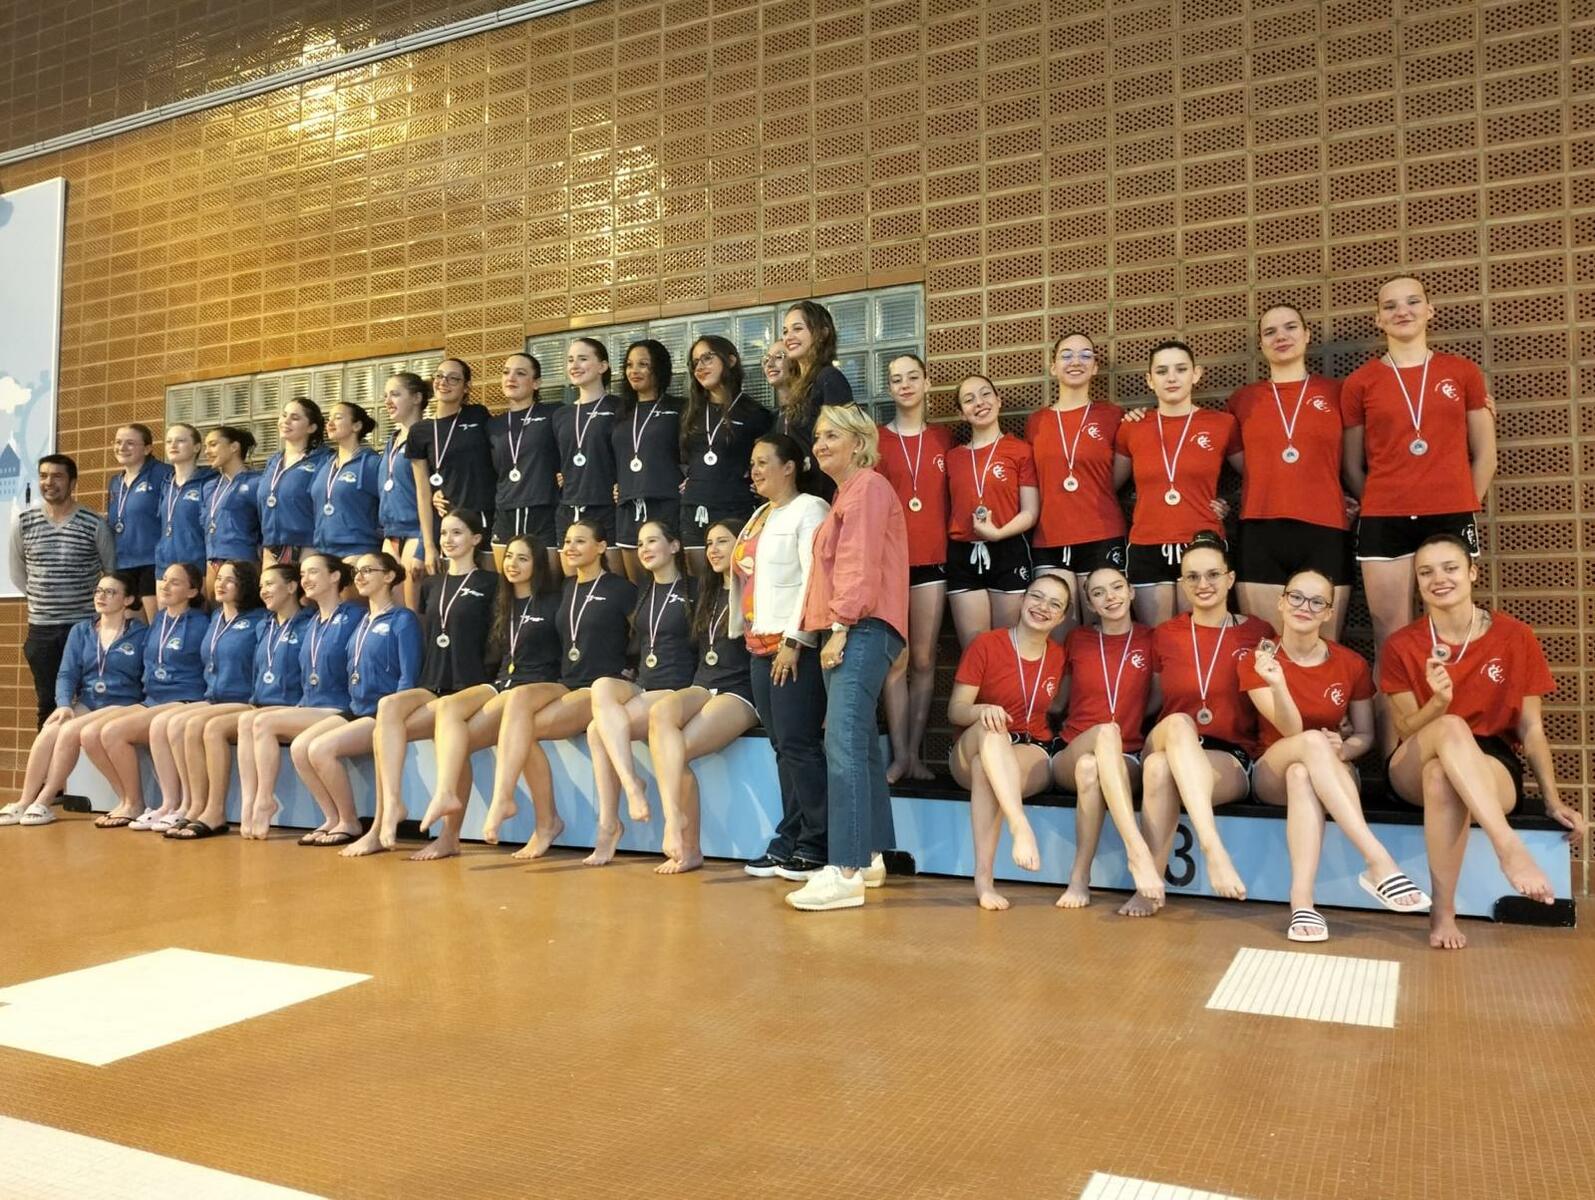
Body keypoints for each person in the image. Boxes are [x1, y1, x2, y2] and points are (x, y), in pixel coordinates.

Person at [1381, 533, 1584, 950]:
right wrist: (1438, 704)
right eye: (1426, 572)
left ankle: (1442, 912)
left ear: (1472, 572)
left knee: (1442, 777)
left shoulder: (1515, 636)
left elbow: (1531, 729)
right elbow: (1406, 726)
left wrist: (1552, 800)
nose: (1439, 579)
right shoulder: (1402, 644)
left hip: (1490, 759)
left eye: (1450, 568)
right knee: (1449, 730)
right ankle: (1506, 845)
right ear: (1417, 583)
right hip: (1417, 752)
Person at [1239, 569, 1429, 941]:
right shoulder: (1258, 659)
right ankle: (1377, 860)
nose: (1304, 607)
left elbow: (1365, 736)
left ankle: (1302, 902)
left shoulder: (1350, 663)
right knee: (1308, 745)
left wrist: (1345, 747)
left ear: (1329, 612)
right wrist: (1278, 684)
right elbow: (1292, 732)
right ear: (1281, 603)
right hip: (1271, 769)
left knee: (1302, 774)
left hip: (1332, 769)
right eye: (1296, 597)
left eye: (1317, 602)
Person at [786, 405, 907, 911]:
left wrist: (840, 627)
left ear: (859, 443)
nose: (820, 444)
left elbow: (857, 563)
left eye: (831, 435)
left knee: (843, 745)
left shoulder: (867, 488)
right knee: (857, 744)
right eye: (817, 436)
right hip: (857, 626)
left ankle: (846, 869)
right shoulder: (849, 493)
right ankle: (871, 856)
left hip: (859, 625)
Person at [1343, 277, 1496, 661]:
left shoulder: (1462, 372)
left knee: (1452, 628)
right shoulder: (1360, 382)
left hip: (1449, 512)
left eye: (1412, 302)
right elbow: (1351, 463)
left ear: (1430, 310)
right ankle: (1396, 705)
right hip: (1384, 517)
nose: (1402, 311)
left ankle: (1454, 704)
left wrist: (1463, 503)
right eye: (1390, 306)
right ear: (1378, 318)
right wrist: (1377, 500)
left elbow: (1485, 454)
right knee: (1390, 636)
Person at [1130, 535, 1273, 916]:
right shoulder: (1165, 634)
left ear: (1230, 579)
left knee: (1160, 769)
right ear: (1182, 583)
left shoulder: (1258, 632)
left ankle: (1149, 886)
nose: (1203, 584)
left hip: (1228, 755)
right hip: (1169, 735)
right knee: (1179, 724)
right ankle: (1212, 849)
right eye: (1192, 577)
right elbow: (1150, 700)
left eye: (1212, 575)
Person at [482, 519, 636, 859]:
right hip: (566, 682)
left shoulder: (621, 588)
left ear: (601, 547)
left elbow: (644, 632)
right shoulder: (563, 590)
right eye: (567, 541)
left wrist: (632, 666)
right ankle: (520, 807)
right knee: (519, 710)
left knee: (522, 731)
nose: (571, 547)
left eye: (580, 541)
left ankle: (533, 815)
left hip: (601, 687)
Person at [358, 510, 499, 860]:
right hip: (434, 679)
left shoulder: (491, 582)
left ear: (476, 539)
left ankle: (449, 836)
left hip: (472, 682)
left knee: (450, 736)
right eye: (444, 533)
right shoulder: (432, 584)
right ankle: (390, 808)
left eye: (457, 532)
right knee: (388, 710)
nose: (448, 540)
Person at [412, 534, 565, 850]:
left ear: (538, 564)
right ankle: (446, 802)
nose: (512, 564)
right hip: (503, 684)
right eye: (509, 556)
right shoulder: (500, 601)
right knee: (450, 712)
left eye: (523, 558)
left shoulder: (554, 600)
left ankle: (534, 815)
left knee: (513, 713)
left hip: (541, 684)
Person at [729, 434, 831, 879]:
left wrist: (795, 641)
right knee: (783, 749)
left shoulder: (810, 509)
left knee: (799, 746)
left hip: (791, 650)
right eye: (751, 463)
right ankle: (789, 838)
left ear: (790, 466)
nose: (754, 471)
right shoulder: (760, 514)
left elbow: (814, 579)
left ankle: (818, 842)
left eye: (762, 462)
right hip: (758, 647)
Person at [286, 552, 423, 858]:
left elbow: (408, 676)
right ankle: (331, 817)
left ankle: (349, 821)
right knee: (299, 747)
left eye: (368, 570)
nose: (359, 576)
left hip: (383, 712)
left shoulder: (402, 619)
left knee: (321, 749)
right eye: (357, 572)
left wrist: (397, 715)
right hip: (356, 707)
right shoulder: (362, 621)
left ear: (389, 576)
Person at [947, 575, 1071, 910]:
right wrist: (983, 710)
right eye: (1037, 597)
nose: (1043, 607)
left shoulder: (1059, 656)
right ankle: (1020, 826)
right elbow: (955, 710)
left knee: (986, 769)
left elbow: (1059, 705)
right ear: (1022, 600)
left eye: (1055, 604)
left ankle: (984, 882)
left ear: (1062, 618)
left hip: (1029, 749)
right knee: (992, 731)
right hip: (975, 741)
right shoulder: (987, 644)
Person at [1229, 306, 1353, 635]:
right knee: (1264, 644)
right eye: (1270, 332)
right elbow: (1240, 462)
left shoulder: (1338, 393)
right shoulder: (1243, 400)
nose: (1281, 336)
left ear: (1307, 335)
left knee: (1325, 646)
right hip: (1260, 527)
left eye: (1290, 327)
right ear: (1261, 343)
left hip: (1326, 527)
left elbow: (1362, 450)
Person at [647, 519, 761, 874]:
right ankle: (673, 818)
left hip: (738, 690)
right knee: (661, 712)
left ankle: (686, 842)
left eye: (722, 542)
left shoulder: (755, 590)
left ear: (741, 546)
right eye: (709, 543)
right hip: (703, 682)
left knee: (677, 750)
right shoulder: (705, 592)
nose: (713, 550)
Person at [1052, 566, 1164, 909]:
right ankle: (1137, 849)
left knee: (1091, 768)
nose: (1110, 597)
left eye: (1117, 587)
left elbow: (1157, 698)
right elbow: (1058, 700)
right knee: (1103, 735)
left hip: (1126, 755)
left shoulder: (1151, 638)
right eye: (1098, 593)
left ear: (1131, 592)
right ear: (1090, 604)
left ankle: (1079, 877)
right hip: (1073, 746)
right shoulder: (1077, 639)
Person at [585, 520, 697, 862]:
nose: (645, 549)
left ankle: (609, 824)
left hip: (678, 687)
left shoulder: (694, 589)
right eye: (640, 543)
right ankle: (630, 784)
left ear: (674, 546)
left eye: (653, 541)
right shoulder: (643, 591)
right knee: (602, 686)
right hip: (646, 684)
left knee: (596, 731)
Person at [1, 573, 147, 828]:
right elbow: (67, 673)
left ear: (128, 600)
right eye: (98, 591)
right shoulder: (81, 631)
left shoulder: (140, 633)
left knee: (69, 732)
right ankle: (25, 801)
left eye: (110, 592)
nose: (101, 596)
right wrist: (64, 704)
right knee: (50, 729)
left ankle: (44, 801)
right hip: (89, 701)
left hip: (122, 704)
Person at [239, 553, 366, 842]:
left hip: (339, 706)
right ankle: (330, 817)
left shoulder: (354, 616)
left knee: (263, 723)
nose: (305, 579)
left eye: (313, 573)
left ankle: (265, 799)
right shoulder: (313, 622)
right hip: (312, 705)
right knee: (249, 720)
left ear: (334, 576)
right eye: (303, 574)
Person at [1114, 342, 1240, 626]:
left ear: (1196, 374)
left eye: (1181, 369)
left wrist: (1230, 503)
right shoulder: (1132, 426)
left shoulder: (1222, 424)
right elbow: (1105, 485)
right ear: (1150, 380)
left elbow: (1256, 475)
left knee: (1200, 634)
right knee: (1156, 638)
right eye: (1161, 371)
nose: (1171, 378)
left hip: (1202, 540)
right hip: (1147, 542)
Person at [876, 353, 952, 783]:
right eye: (896, 379)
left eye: (912, 377)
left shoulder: (943, 438)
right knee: (897, 660)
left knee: (924, 659)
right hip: (891, 564)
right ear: (889, 388)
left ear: (926, 383)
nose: (904, 385)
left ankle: (916, 756)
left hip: (933, 561)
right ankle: (900, 755)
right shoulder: (877, 439)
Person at [87, 562, 209, 828]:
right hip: (152, 699)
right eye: (164, 579)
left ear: (191, 591)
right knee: (90, 733)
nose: (165, 585)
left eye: (175, 582)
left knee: (114, 732)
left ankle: (165, 803)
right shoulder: (158, 620)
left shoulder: (201, 623)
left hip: (184, 698)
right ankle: (127, 799)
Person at [154, 559, 267, 838]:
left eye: (230, 580)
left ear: (245, 585)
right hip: (213, 697)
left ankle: (215, 810)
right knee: (174, 723)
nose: (221, 584)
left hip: (244, 698)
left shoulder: (259, 621)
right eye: (219, 578)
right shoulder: (216, 618)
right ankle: (193, 805)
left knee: (200, 726)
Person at [9, 454, 117, 728]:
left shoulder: (94, 523)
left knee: (85, 701)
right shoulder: (24, 523)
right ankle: (48, 757)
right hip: (42, 630)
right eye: (43, 476)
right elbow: (18, 574)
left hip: (83, 628)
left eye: (57, 476)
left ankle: (80, 757)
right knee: (47, 703)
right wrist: (44, 600)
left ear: (72, 482)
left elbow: (111, 572)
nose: (49, 482)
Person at [1026, 333, 1127, 616]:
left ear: (1095, 367)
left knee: (1102, 625)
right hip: (1050, 536)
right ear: (1053, 367)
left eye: (1085, 355)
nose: (1076, 362)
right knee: (1055, 626)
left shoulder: (1113, 415)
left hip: (1102, 533)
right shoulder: (1036, 421)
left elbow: (1114, 478)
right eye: (1066, 355)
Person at [945, 374, 1039, 648]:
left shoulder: (1020, 450)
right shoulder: (952, 457)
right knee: (975, 648)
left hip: (1008, 549)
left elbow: (1030, 511)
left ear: (999, 400)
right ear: (961, 413)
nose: (979, 403)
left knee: (1009, 647)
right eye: (969, 399)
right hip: (963, 554)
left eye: (986, 394)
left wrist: (998, 533)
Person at [679, 335, 771, 572]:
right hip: (694, 508)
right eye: (695, 362)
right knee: (700, 584)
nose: (700, 367)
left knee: (736, 581)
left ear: (730, 360)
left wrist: (759, 482)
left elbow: (767, 460)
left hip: (735, 508)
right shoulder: (690, 411)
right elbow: (681, 458)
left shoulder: (755, 413)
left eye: (707, 358)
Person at [407, 358, 495, 573]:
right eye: (439, 376)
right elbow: (422, 491)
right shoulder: (419, 431)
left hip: (482, 515)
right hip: (446, 521)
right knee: (452, 582)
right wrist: (428, 546)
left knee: (488, 581)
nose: (444, 382)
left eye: (453, 378)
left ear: (466, 387)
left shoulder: (478, 415)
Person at [612, 340, 684, 584]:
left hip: (665, 503)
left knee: (672, 582)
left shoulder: (680, 408)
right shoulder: (620, 412)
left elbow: (693, 450)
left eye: (643, 364)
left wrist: (691, 478)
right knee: (638, 589)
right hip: (628, 506)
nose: (634, 371)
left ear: (659, 368)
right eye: (629, 365)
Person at [551, 338, 624, 570]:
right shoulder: (561, 414)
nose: (574, 365)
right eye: (570, 360)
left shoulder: (619, 407)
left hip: (606, 506)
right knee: (573, 582)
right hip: (569, 506)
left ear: (602, 366)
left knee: (611, 579)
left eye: (583, 359)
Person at [488, 353, 561, 577]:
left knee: (547, 582)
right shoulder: (493, 425)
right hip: (505, 511)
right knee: (507, 582)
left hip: (543, 509)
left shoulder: (554, 414)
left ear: (536, 383)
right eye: (506, 372)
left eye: (520, 373)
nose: (511, 378)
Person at [777, 302, 854, 502]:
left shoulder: (829, 378)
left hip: (822, 493)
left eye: (797, 329)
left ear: (822, 333)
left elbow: (842, 442)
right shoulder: (796, 385)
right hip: (798, 494)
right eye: (785, 331)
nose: (788, 337)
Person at [106, 423, 172, 622]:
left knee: (156, 626)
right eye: (118, 442)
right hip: (123, 564)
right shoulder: (116, 482)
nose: (122, 447)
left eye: (130, 443)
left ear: (147, 448)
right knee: (131, 629)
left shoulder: (164, 474)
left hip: (153, 563)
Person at [378, 372, 430, 609]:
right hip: (391, 534)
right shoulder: (392, 440)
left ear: (417, 398)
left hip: (416, 532)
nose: (388, 401)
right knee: (390, 611)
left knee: (412, 612)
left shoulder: (428, 435)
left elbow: (429, 493)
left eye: (395, 394)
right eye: (386, 395)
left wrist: (425, 545)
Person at [257, 397, 328, 567]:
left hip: (307, 547)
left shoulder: (323, 459)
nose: (286, 421)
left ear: (311, 427)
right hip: (271, 548)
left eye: (295, 418)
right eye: (284, 415)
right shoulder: (273, 461)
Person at [311, 401, 383, 561]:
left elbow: (387, 505)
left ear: (356, 426)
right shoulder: (325, 465)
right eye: (329, 418)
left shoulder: (372, 464)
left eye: (338, 418)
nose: (330, 423)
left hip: (359, 550)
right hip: (323, 553)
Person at [154, 423, 216, 605]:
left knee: (197, 616)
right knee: (166, 618)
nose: (173, 445)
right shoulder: (166, 484)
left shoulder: (209, 482)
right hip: (165, 567)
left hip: (195, 566)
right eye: (169, 441)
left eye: (180, 440)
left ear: (196, 447)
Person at [201, 426, 264, 594]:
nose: (207, 451)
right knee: (217, 609)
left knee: (242, 607)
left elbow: (267, 523)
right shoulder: (210, 487)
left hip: (242, 560)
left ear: (234, 447)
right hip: (212, 562)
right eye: (206, 446)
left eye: (213, 444)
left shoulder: (257, 482)